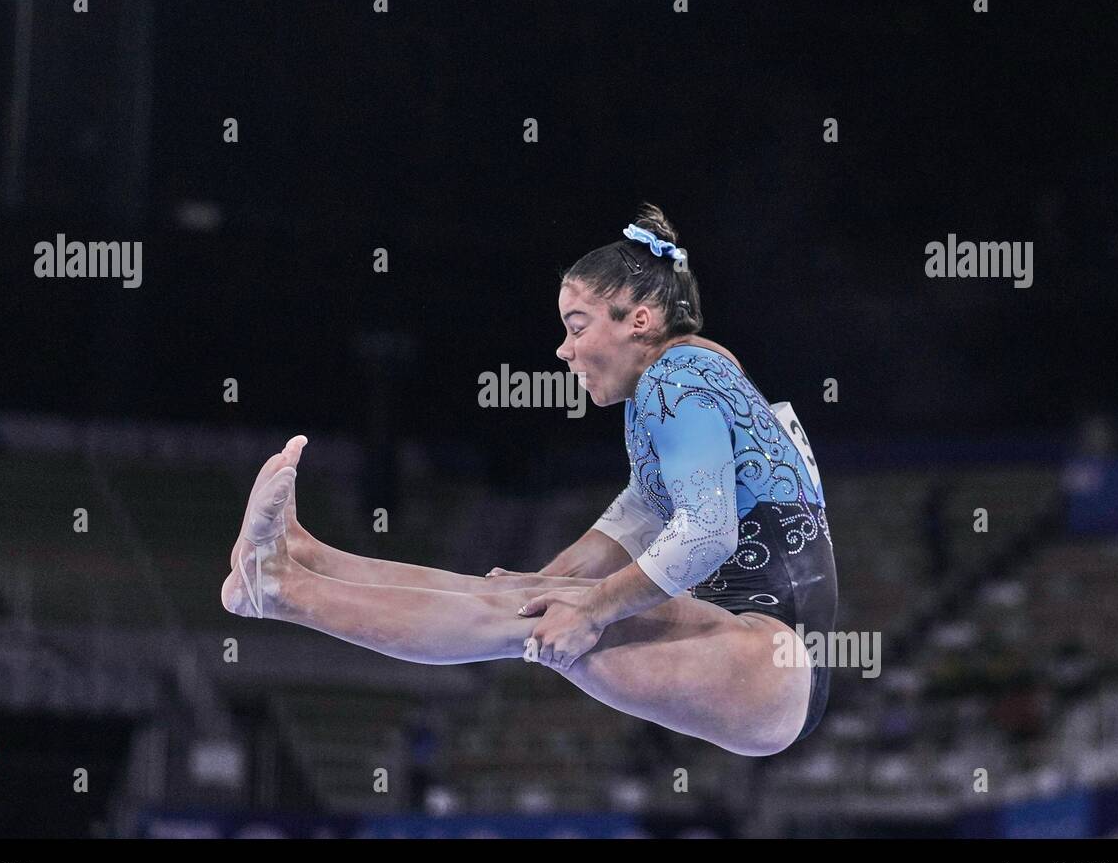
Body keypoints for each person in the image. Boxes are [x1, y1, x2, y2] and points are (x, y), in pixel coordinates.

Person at [222, 203, 837, 756]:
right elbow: (641, 513)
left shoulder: (675, 381)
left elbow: (706, 535)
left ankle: (283, 592)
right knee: (518, 597)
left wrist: (590, 606)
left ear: (640, 321)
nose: (564, 351)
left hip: (774, 662)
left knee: (523, 618)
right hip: (763, 657)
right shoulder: (689, 376)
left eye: (576, 325)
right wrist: (559, 578)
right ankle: (304, 556)